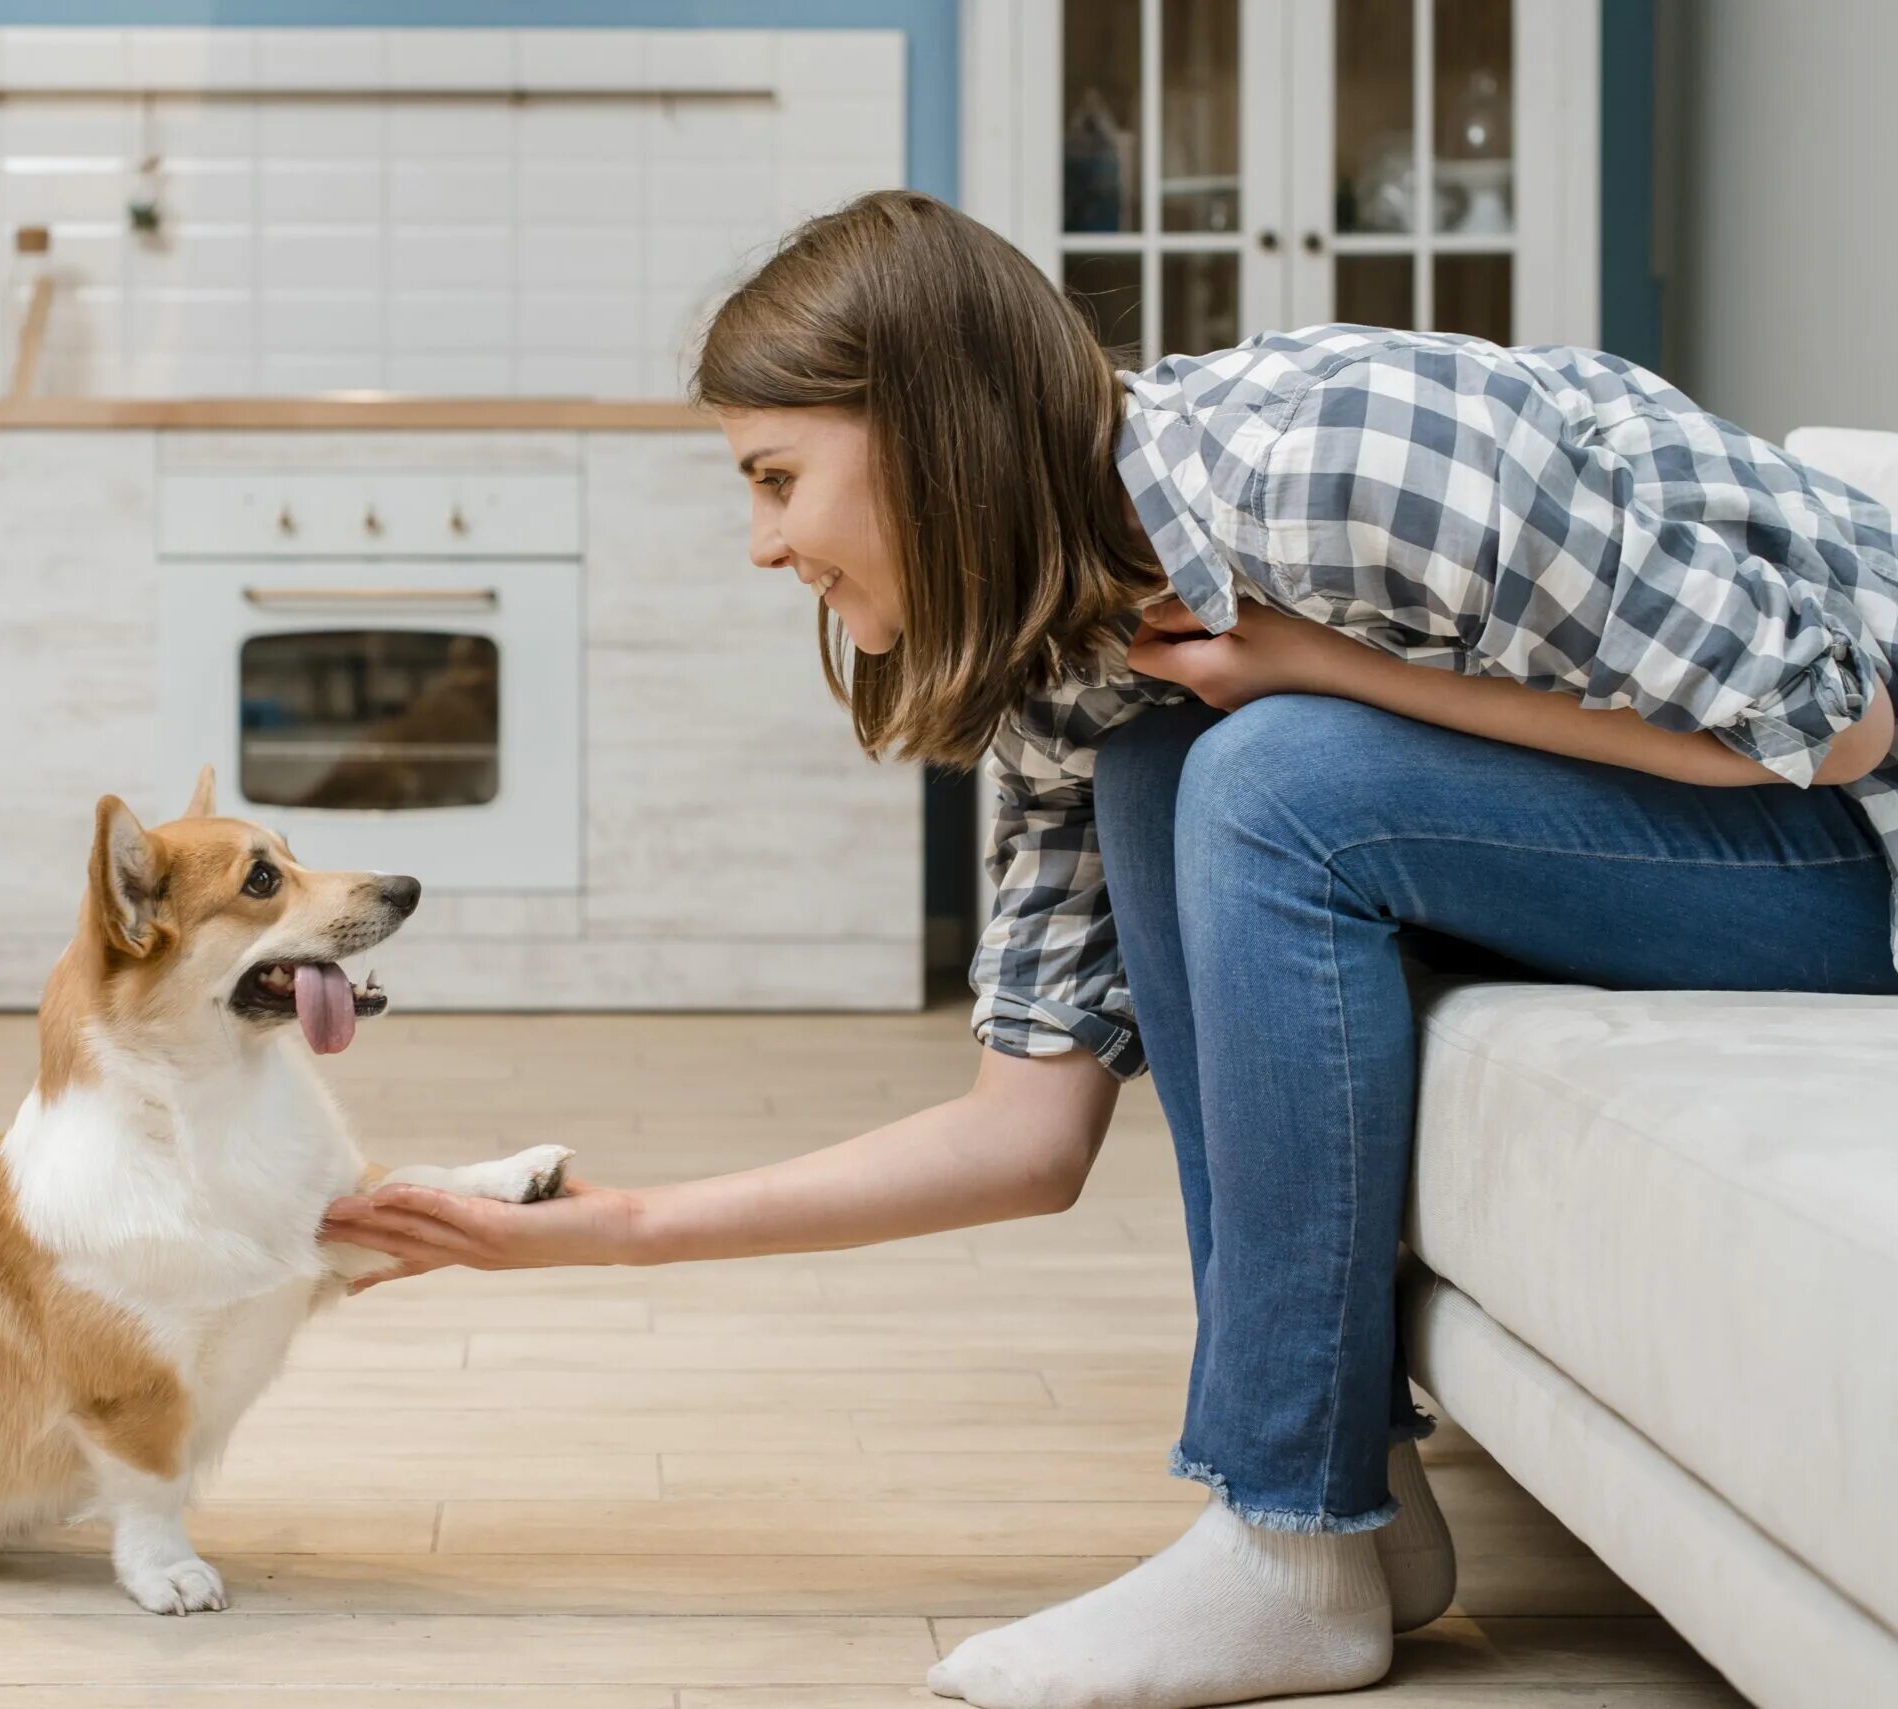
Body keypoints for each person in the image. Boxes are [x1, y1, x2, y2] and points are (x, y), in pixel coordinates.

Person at [320, 190, 1898, 1709]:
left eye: (774, 477)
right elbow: (1029, 1131)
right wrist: (605, 1230)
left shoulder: (1339, 465)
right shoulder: (1080, 653)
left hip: (1861, 840)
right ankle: (1355, 1500)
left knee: (1274, 771)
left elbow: (1838, 728)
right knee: (1176, 759)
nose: (762, 543)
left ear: (930, 431)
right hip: (1725, 829)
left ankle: (1286, 1535)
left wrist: (1314, 666)